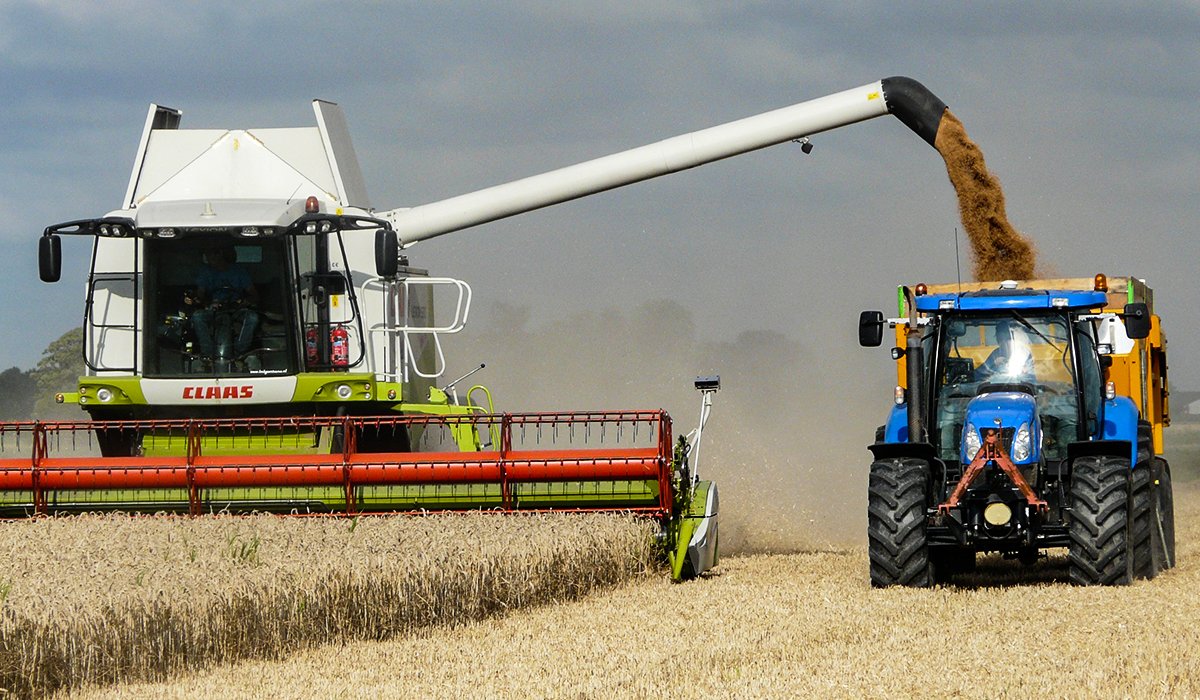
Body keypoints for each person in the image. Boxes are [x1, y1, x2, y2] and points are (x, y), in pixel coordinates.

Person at [186, 243, 259, 367]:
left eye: (213, 254)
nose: (209, 258)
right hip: (214, 309)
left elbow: (253, 295)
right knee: (197, 316)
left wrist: (243, 302)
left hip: (235, 309)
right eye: (207, 255)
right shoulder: (205, 272)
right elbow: (200, 294)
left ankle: (239, 353)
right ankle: (208, 354)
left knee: (252, 317)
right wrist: (200, 301)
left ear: (221, 254)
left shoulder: (239, 271)